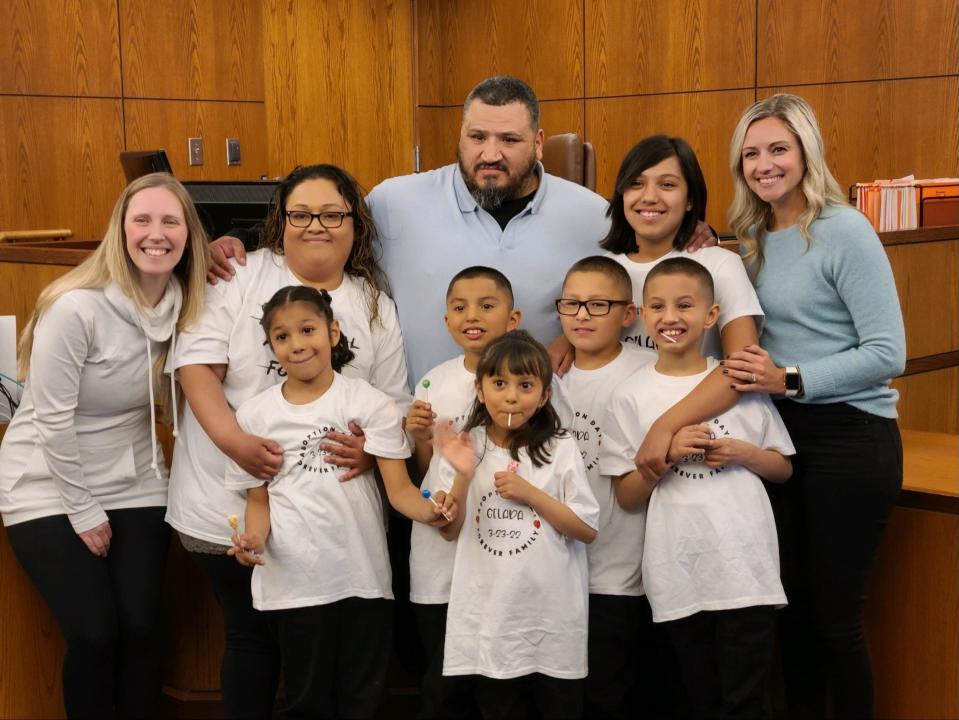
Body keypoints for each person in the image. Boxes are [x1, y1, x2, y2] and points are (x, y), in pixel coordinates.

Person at [206, 77, 714, 385]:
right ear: (460, 136)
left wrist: (694, 234)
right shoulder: (392, 201)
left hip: (537, 427)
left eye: (509, 139)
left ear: (537, 142)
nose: (490, 153)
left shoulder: (593, 214)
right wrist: (235, 247)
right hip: (421, 425)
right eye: (477, 136)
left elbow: (647, 265)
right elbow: (317, 237)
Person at [166, 164, 410, 719]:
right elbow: (196, 367)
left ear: (355, 223)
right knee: (254, 640)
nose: (316, 226)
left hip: (332, 522)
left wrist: (370, 450)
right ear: (281, 220)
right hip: (231, 503)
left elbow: (390, 404)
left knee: (326, 659)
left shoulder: (372, 301)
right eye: (301, 214)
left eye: (332, 214)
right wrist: (235, 442)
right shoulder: (239, 274)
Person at [722, 93, 906, 719]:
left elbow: (888, 351)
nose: (765, 164)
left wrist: (790, 378)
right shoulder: (747, 239)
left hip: (850, 437)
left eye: (779, 149)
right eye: (752, 153)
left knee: (835, 621)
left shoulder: (843, 229)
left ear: (806, 153)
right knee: (790, 614)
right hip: (781, 438)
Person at [0, 172, 209, 718]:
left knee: (142, 629)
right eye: (141, 220)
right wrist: (84, 508)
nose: (155, 234)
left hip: (136, 478)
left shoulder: (187, 301)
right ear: (120, 229)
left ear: (190, 234)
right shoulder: (77, 308)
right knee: (95, 634)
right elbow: (50, 420)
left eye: (170, 221)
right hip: (46, 482)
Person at [225, 285, 455, 719]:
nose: (296, 345)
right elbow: (258, 502)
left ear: (332, 333)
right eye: (282, 337)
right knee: (306, 700)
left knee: (362, 699)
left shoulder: (369, 402)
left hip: (362, 579)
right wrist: (252, 539)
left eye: (307, 330)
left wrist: (434, 509)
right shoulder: (254, 416)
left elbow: (401, 492)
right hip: (293, 585)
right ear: (271, 346)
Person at [601, 258, 794, 718]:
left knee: (746, 697)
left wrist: (743, 453)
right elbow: (626, 497)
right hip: (678, 571)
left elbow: (782, 469)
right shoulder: (631, 395)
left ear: (712, 316)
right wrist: (666, 457)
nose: (671, 317)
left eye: (685, 305)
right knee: (695, 696)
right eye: (658, 306)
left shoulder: (740, 381)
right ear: (641, 315)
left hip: (747, 570)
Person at [405, 266, 575, 719]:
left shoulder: (541, 381)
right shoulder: (433, 381)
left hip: (506, 555)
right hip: (442, 555)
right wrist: (422, 441)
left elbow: (556, 456)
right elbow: (430, 473)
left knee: (500, 689)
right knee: (445, 684)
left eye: (486, 305)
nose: (471, 315)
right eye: (459, 307)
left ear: (513, 318)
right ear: (446, 321)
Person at [434, 330, 599, 720]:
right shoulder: (467, 445)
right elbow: (448, 530)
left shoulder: (560, 446)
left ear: (543, 395)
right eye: (499, 383)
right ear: (480, 390)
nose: (511, 396)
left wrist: (531, 493)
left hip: (552, 622)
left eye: (525, 385)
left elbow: (587, 530)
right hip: (491, 624)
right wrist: (460, 474)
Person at [552, 256, 651, 720]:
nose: (582, 316)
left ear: (628, 315)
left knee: (611, 691)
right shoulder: (544, 373)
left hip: (618, 567)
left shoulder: (648, 371)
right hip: (552, 568)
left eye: (597, 304)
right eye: (571, 304)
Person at [600, 135, 763, 362]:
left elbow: (744, 368)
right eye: (635, 183)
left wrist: (680, 401)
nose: (649, 197)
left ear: (690, 200)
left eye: (667, 184)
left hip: (706, 396)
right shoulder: (603, 271)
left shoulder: (720, 264)